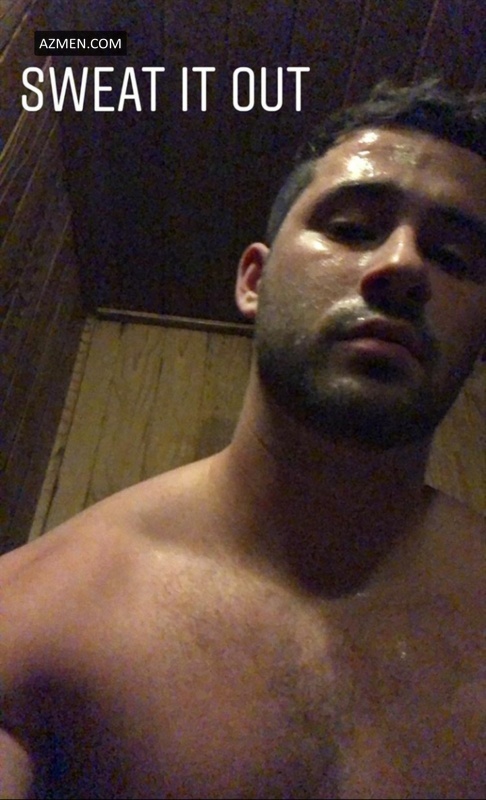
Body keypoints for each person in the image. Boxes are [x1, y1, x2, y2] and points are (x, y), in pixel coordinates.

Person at [1, 78, 485, 799]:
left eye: (454, 258)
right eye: (352, 227)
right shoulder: (34, 620)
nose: (404, 266)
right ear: (254, 280)